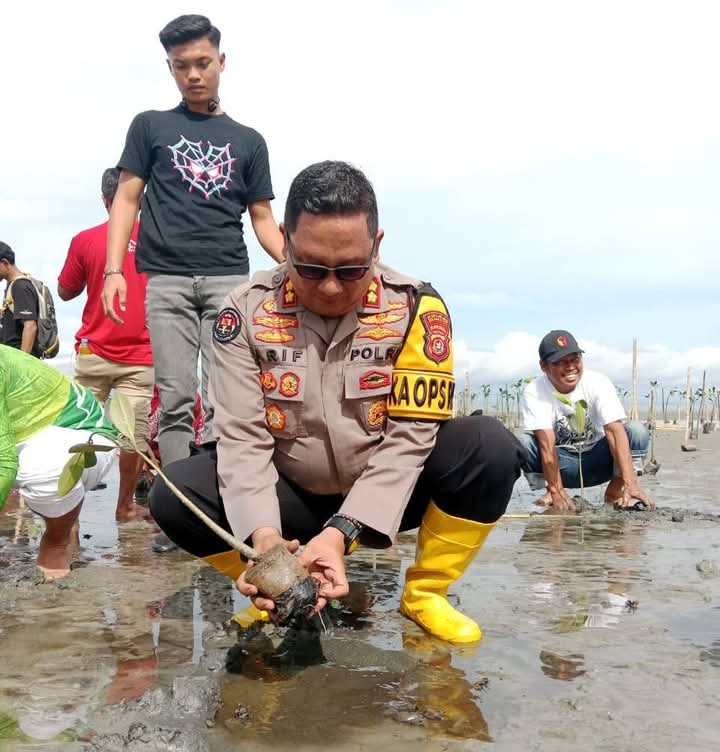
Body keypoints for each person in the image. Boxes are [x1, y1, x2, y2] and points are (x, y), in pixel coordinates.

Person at [150, 161, 526, 644]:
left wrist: (343, 530)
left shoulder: (416, 310)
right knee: (175, 491)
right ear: (284, 240)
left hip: (388, 496)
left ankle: (426, 592)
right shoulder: (243, 313)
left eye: (350, 270)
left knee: (489, 447)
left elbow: (411, 439)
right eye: (309, 267)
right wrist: (265, 544)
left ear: (377, 245)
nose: (329, 286)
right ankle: (276, 591)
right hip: (289, 500)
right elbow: (243, 440)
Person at [102, 14, 284, 473]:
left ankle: (228, 495)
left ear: (221, 61)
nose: (194, 74)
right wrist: (113, 271)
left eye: (203, 63)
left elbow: (263, 219)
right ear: (170, 69)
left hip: (228, 279)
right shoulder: (150, 126)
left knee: (227, 396)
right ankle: (180, 503)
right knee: (176, 395)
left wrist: (303, 266)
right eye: (182, 65)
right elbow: (127, 198)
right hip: (168, 282)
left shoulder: (249, 141)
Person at [57, 168, 154, 523]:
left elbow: (66, 290)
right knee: (132, 437)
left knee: (79, 430)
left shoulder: (85, 239)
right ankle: (124, 507)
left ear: (104, 199)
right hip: (142, 355)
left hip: (93, 351)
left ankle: (69, 510)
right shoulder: (156, 240)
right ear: (139, 197)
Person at [0, 345, 117, 579]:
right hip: (16, 435)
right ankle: (67, 516)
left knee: (45, 472)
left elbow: (4, 463)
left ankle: (56, 541)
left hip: (76, 431)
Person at [518, 329, 654, 512]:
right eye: (560, 362)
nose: (570, 367)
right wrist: (556, 489)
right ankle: (551, 491)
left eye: (575, 359)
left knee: (636, 431)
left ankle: (617, 489)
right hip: (563, 461)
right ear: (544, 366)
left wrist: (631, 482)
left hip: (598, 458)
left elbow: (614, 431)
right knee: (523, 442)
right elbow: (546, 445)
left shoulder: (597, 382)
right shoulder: (534, 391)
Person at [0, 243, 40, 356]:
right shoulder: (12, 285)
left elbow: (30, 326)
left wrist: (22, 363)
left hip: (18, 359)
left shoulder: (20, 286)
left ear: (5, 263)